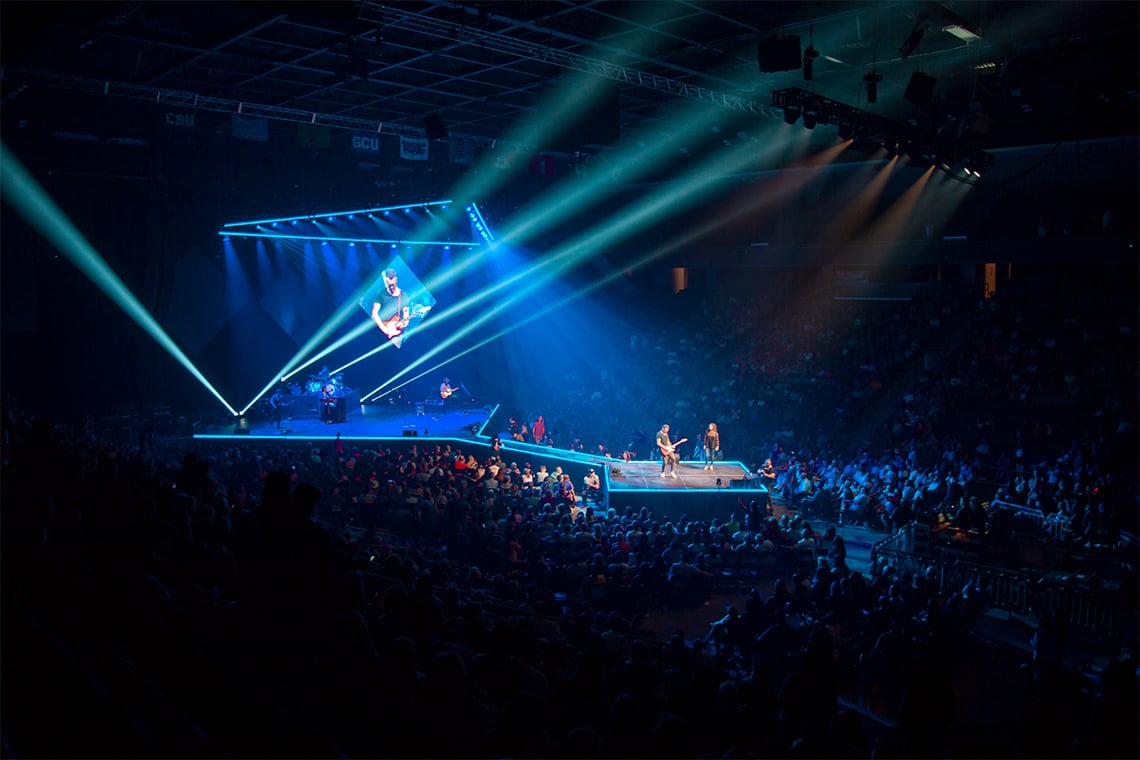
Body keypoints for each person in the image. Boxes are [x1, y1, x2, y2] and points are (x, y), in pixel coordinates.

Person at [371, 268, 429, 348]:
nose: (391, 288)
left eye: (392, 285)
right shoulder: (381, 292)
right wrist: (384, 329)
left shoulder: (403, 295)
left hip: (395, 333)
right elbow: (374, 313)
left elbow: (406, 314)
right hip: (381, 329)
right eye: (388, 285)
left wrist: (405, 322)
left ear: (396, 279)